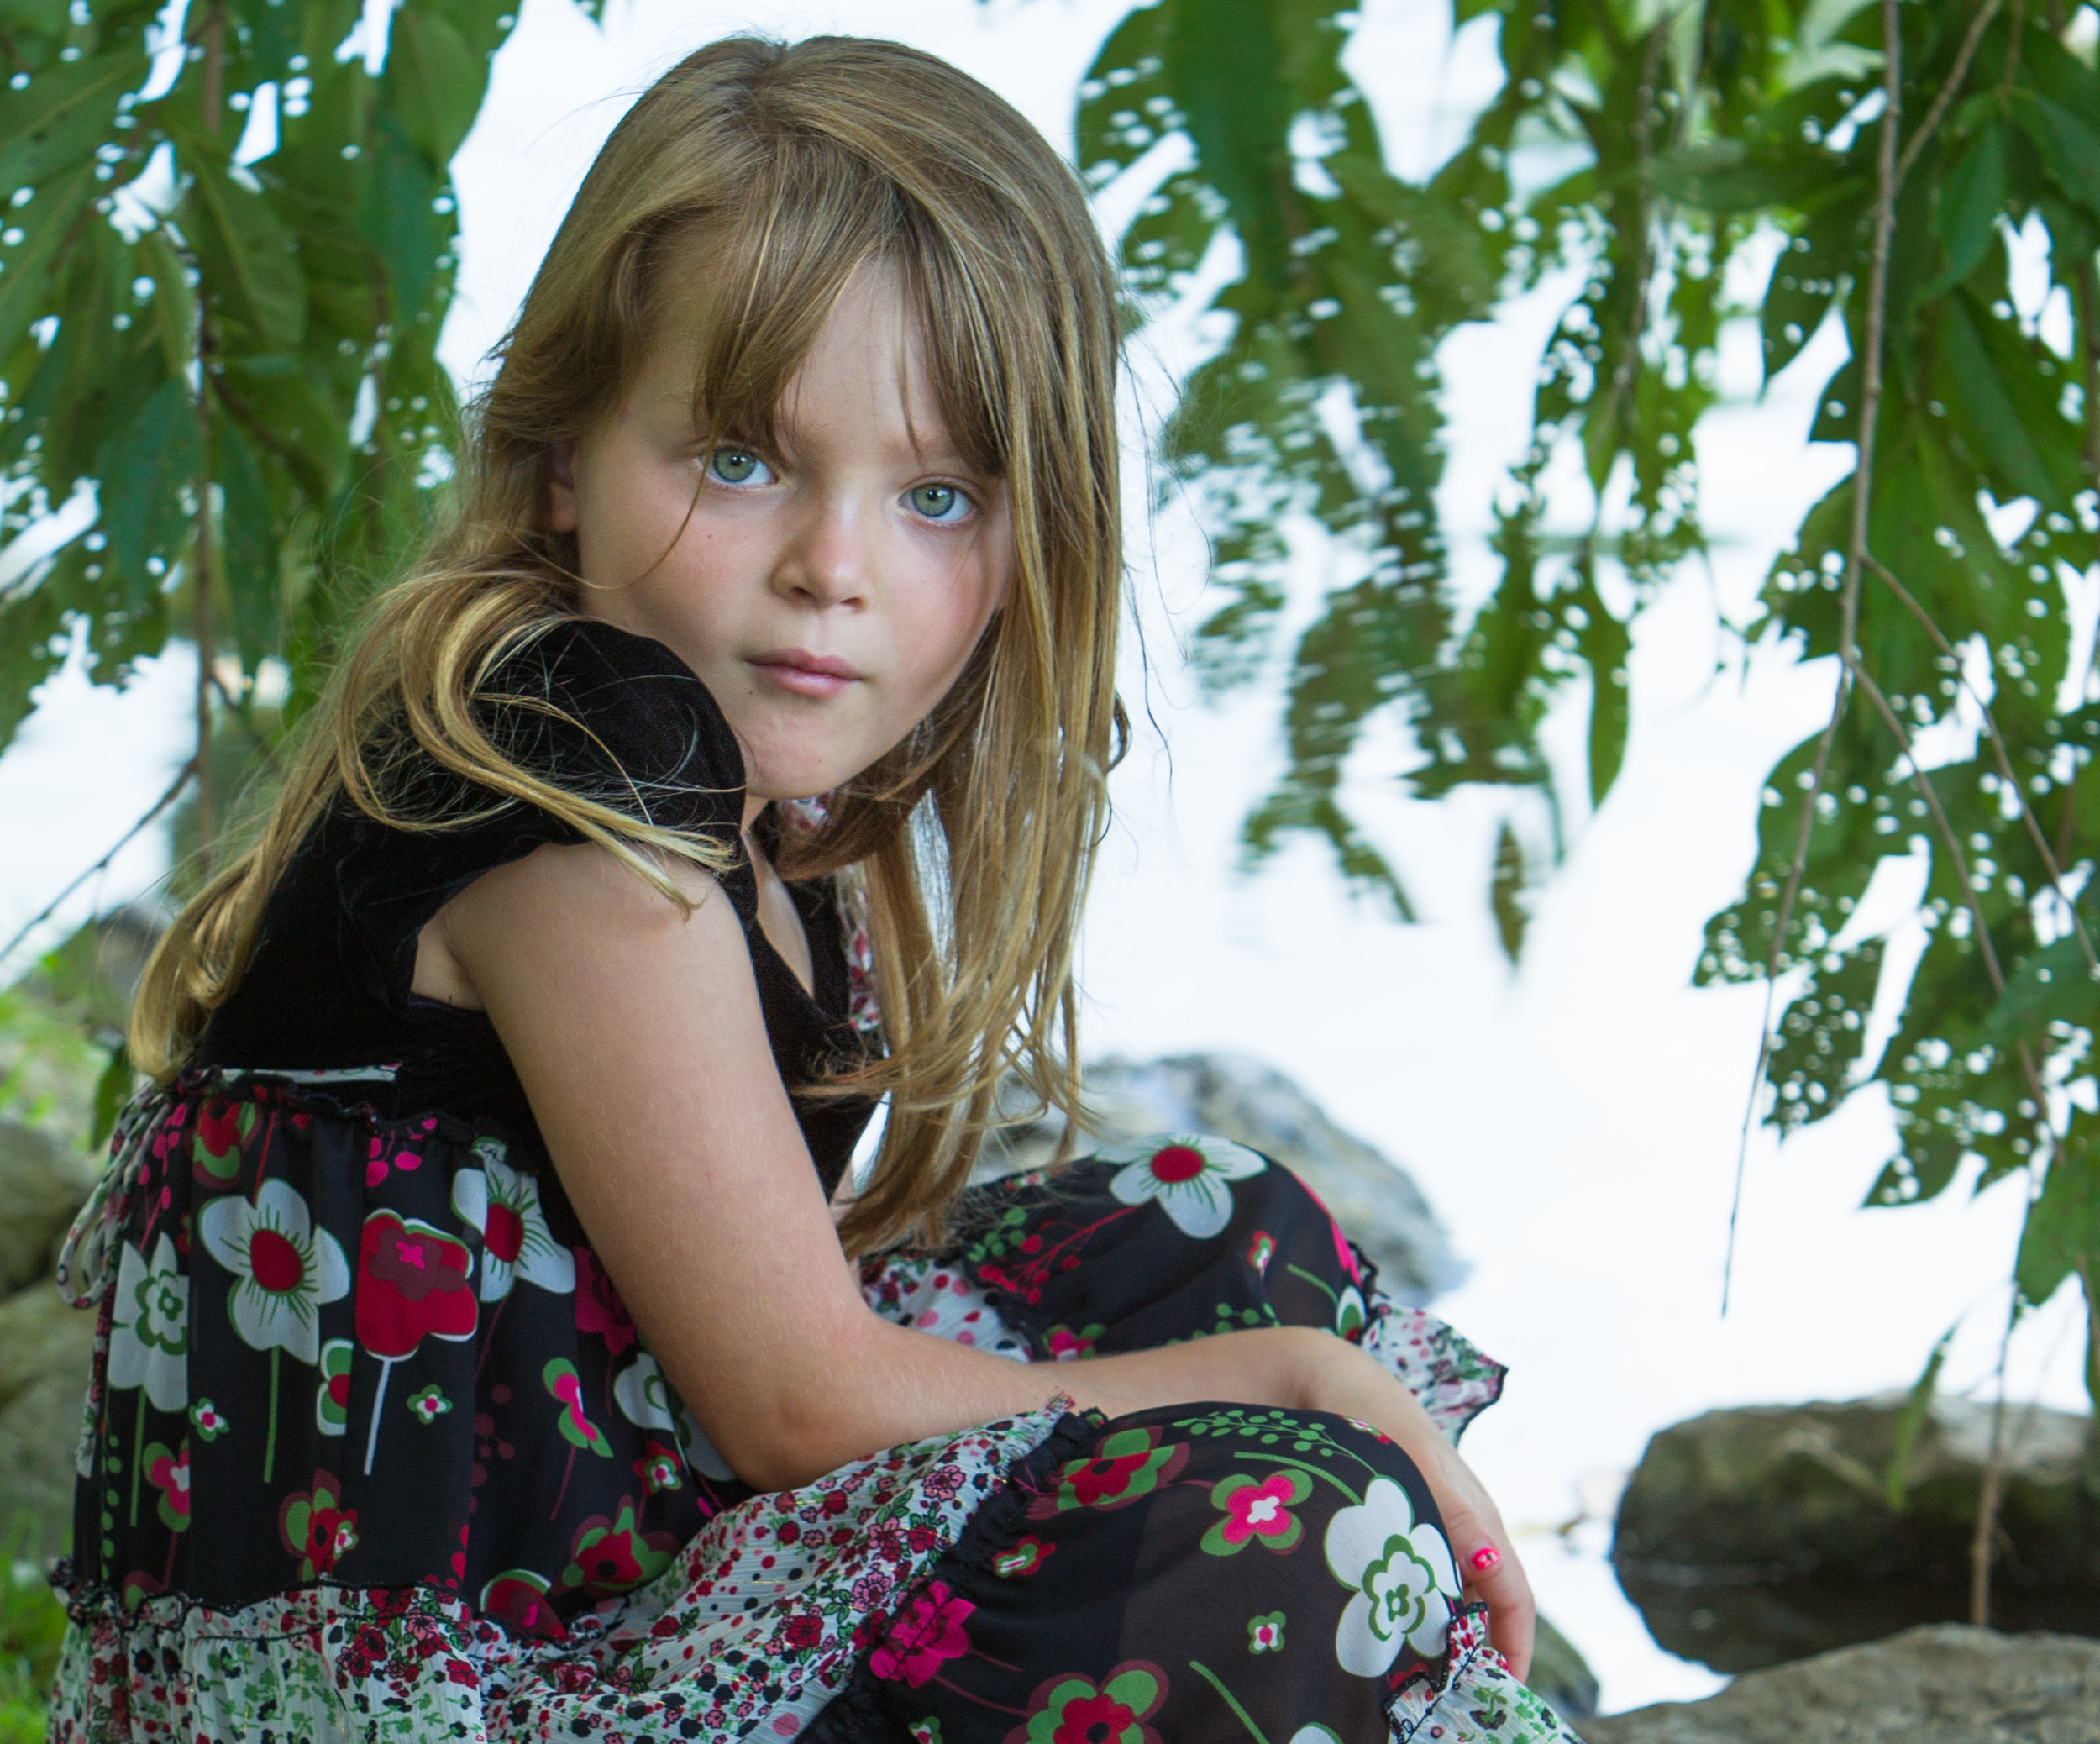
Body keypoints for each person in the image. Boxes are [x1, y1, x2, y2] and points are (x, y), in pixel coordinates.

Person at [47, 35, 1582, 1744]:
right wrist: (1298, 1387)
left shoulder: (760, 804)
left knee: (1207, 1233)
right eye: (740, 459)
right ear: (560, 461)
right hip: (463, 1686)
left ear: (1029, 537)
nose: (832, 570)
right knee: (1294, 1511)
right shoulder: (564, 760)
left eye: (934, 497)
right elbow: (794, 1405)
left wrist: (1261, 1353)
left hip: (609, 1530)